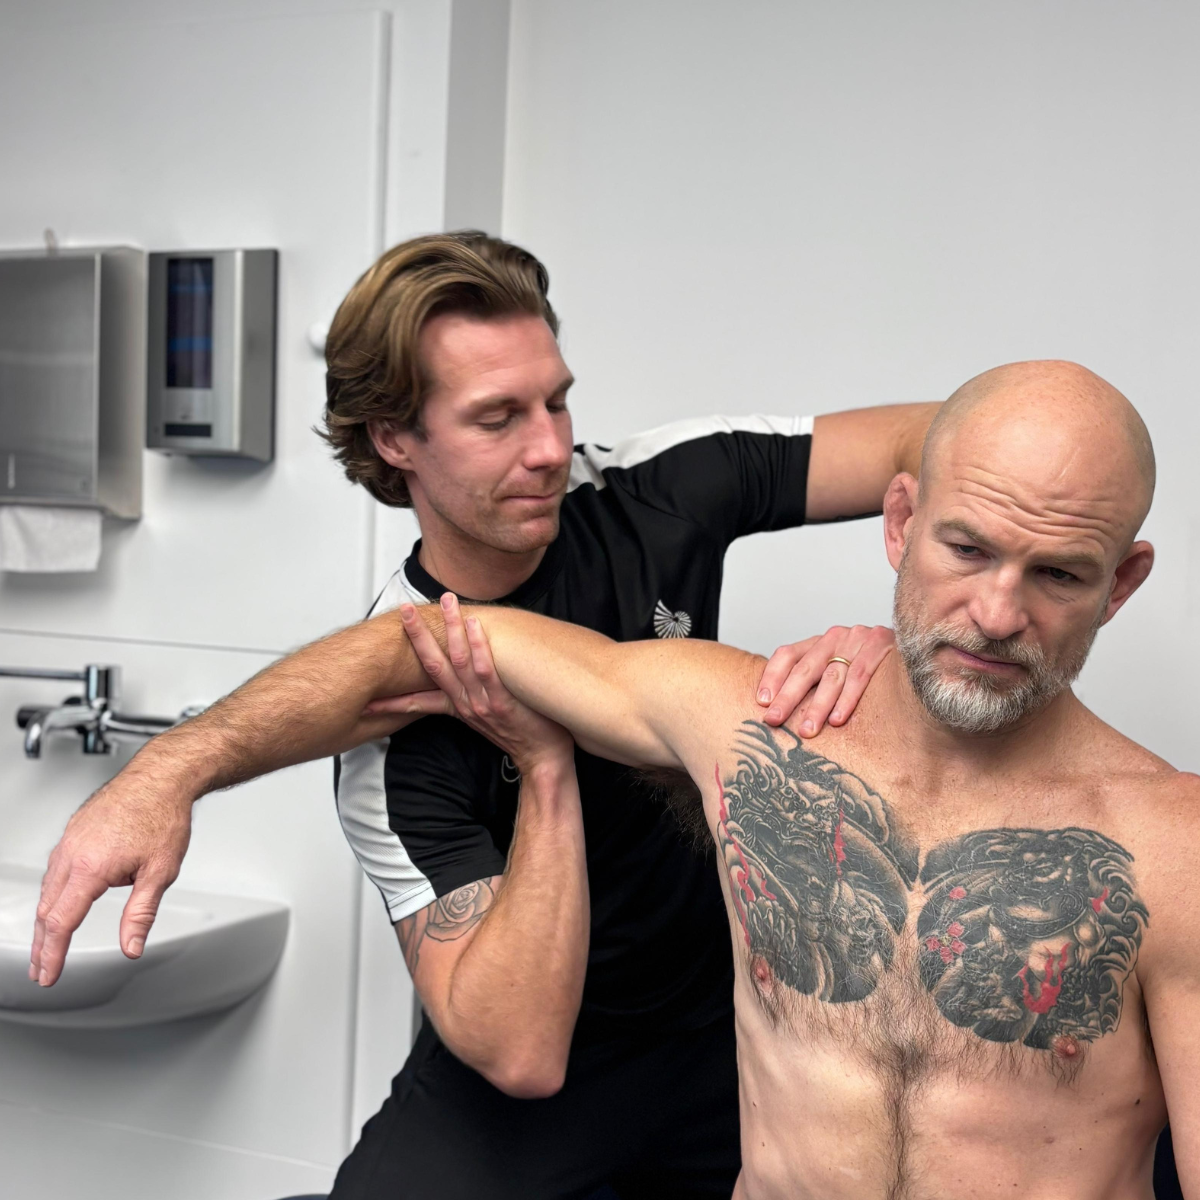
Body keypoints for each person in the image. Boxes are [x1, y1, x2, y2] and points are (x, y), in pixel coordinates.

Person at [32, 232, 938, 1198]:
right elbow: (521, 1051)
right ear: (394, 439)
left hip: (728, 1043)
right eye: (497, 418)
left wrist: (908, 624)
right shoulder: (397, 728)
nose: (549, 447)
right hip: (532, 1096)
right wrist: (546, 770)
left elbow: (946, 439)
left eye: (556, 399)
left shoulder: (653, 491)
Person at [368, 359, 1193, 1199]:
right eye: (967, 549)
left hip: (679, 1051)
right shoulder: (751, 722)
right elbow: (405, 640)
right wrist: (219, 755)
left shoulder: (1176, 847)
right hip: (582, 1063)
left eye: (1058, 573)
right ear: (901, 523)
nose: (996, 614)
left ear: (1119, 582)